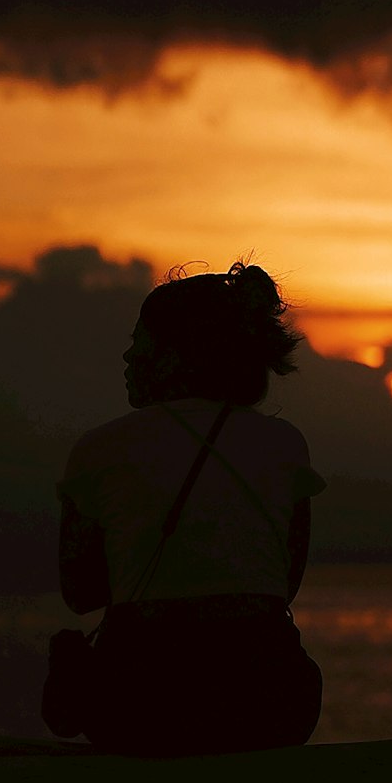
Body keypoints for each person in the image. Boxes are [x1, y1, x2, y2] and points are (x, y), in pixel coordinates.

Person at [55, 261, 324, 754]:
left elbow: (80, 591)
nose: (129, 355)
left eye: (142, 340)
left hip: (142, 703)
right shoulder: (285, 445)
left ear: (178, 353)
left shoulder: (99, 450)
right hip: (268, 699)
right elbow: (283, 581)